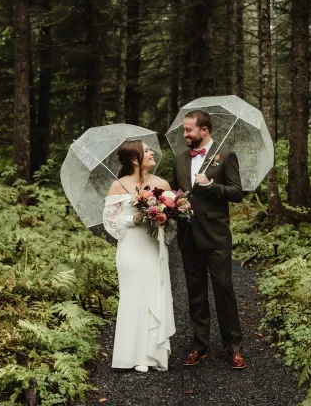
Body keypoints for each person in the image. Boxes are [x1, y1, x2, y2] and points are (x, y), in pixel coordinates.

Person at [170, 110, 247, 369]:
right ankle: (199, 345)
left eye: (189, 130)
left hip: (216, 235)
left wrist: (211, 186)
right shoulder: (180, 158)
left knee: (223, 289)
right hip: (188, 234)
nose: (185, 135)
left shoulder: (225, 156)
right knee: (195, 292)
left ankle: (234, 346)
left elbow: (237, 193)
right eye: (184, 130)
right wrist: (170, 201)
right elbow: (175, 189)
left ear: (204, 130)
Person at [102, 140, 175, 372]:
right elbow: (110, 222)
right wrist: (132, 219)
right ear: (135, 159)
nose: (152, 152)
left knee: (154, 295)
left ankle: (151, 355)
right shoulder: (118, 186)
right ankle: (130, 356)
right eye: (146, 150)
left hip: (154, 246)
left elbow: (173, 219)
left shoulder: (162, 183)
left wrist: (163, 217)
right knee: (133, 297)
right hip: (131, 248)